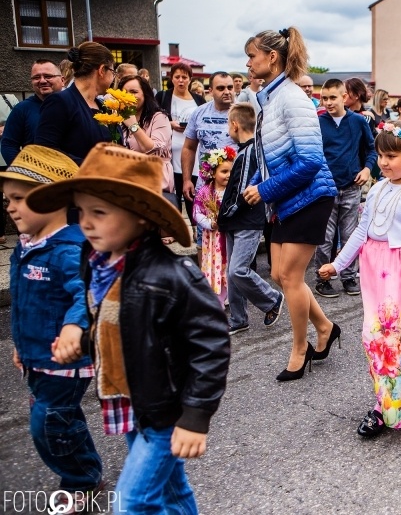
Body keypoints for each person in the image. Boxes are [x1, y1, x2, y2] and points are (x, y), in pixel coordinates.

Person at [30, 143, 229, 515]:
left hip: (167, 410)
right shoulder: (97, 262)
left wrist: (195, 416)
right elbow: (114, 324)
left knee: (131, 502)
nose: (86, 223)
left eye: (100, 212)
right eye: (81, 211)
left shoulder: (173, 276)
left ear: (141, 216)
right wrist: (83, 340)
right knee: (172, 490)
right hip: (134, 401)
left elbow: (212, 345)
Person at [318, 120, 401, 437]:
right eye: (381, 156)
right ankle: (392, 400)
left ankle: (388, 408)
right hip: (376, 273)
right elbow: (363, 231)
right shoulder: (377, 189)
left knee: (391, 339)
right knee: (374, 337)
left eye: (392, 156)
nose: (384, 162)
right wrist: (339, 263)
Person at [3, 145, 103, 512]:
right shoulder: (27, 246)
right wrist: (18, 342)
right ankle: (85, 464)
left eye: (19, 198)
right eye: (7, 199)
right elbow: (24, 299)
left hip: (66, 359)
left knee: (47, 423)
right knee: (61, 417)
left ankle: (82, 480)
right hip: (35, 355)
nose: (9, 206)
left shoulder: (71, 248)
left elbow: (86, 292)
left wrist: (76, 327)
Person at [241, 27, 339, 381]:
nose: (248, 62)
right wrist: (256, 185)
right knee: (279, 274)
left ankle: (302, 349)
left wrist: (264, 190)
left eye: (252, 55)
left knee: (291, 277)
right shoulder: (270, 98)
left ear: (272, 57)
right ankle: (326, 327)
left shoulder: (293, 98)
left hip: (311, 196)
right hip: (287, 198)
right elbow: (271, 159)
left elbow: (311, 162)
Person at [219, 103, 283, 335]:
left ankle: (272, 298)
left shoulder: (249, 152)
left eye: (228, 124)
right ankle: (238, 319)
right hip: (235, 221)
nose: (228, 129)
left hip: (247, 220)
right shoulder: (246, 151)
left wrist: (226, 212)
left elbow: (242, 190)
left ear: (235, 124)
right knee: (232, 273)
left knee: (238, 269)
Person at [314, 79, 377, 298]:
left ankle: (349, 276)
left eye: (333, 97)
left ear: (344, 97)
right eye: (325, 98)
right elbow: (313, 155)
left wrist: (368, 169)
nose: (329, 102)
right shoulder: (318, 122)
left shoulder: (358, 122)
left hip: (351, 186)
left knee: (350, 234)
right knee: (325, 237)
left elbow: (371, 149)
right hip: (326, 188)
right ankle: (322, 278)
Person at [34, 42, 114, 165]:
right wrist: (92, 167)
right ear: (102, 70)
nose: (113, 78)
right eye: (113, 72)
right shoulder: (60, 102)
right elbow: (45, 150)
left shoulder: (102, 105)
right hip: (72, 182)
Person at [156, 63, 206, 217]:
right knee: (173, 190)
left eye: (184, 77)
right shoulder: (163, 96)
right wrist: (169, 124)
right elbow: (155, 119)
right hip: (170, 151)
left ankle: (195, 225)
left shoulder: (198, 100)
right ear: (171, 78)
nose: (181, 81)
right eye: (177, 77)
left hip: (192, 151)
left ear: (190, 79)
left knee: (193, 190)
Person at [118, 75, 175, 209]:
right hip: (128, 183)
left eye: (134, 92)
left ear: (145, 93)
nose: (129, 97)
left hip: (155, 182)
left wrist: (132, 125)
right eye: (124, 93)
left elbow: (151, 148)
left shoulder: (159, 117)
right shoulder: (119, 119)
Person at [181, 72, 237, 203]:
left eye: (230, 87)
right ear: (210, 91)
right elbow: (189, 148)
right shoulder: (199, 112)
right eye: (221, 88)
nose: (227, 92)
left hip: (235, 186)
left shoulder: (244, 112)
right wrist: (187, 180)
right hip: (206, 187)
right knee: (205, 222)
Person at [2, 60, 65, 163]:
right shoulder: (22, 109)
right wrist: (23, 170)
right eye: (36, 77)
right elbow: (8, 145)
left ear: (63, 80)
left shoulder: (74, 106)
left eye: (48, 76)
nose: (42, 81)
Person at [194, 147, 234, 307]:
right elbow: (197, 213)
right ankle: (216, 295)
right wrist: (210, 223)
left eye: (231, 171)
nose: (228, 175)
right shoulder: (205, 191)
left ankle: (230, 293)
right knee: (215, 263)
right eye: (224, 171)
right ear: (212, 172)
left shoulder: (233, 191)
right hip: (212, 238)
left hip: (229, 234)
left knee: (229, 263)